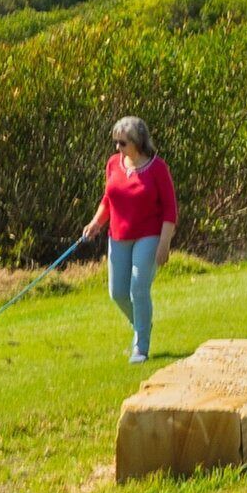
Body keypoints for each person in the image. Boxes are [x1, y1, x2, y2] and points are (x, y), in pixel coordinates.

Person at [77, 115, 177, 364]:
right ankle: (142, 323)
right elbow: (108, 200)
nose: (118, 148)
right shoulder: (113, 164)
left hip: (149, 236)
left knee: (138, 288)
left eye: (123, 143)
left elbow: (170, 210)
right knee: (118, 293)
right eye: (116, 142)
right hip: (118, 236)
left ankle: (140, 347)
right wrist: (96, 223)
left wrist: (164, 244)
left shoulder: (157, 168)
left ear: (138, 142)